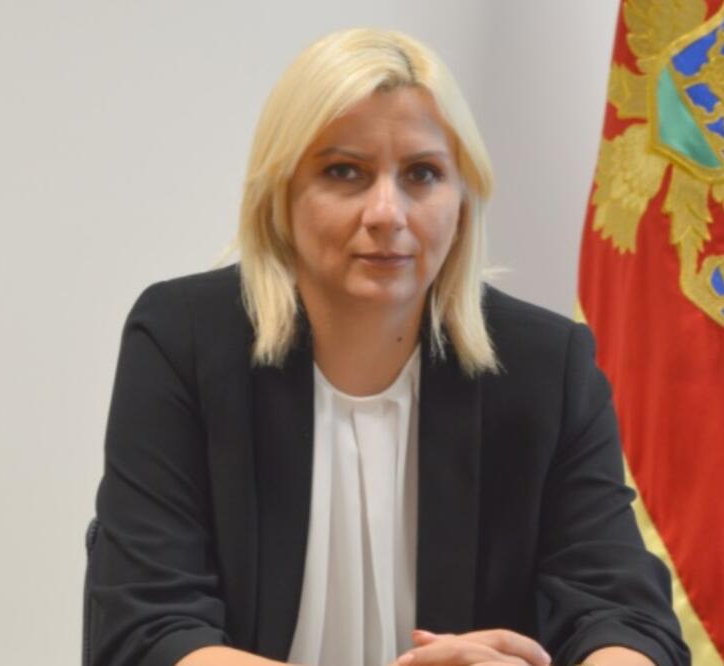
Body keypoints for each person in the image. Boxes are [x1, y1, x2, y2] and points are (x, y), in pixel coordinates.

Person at [88, 28, 689, 666]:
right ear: (279, 191)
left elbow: (626, 617)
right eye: (344, 172)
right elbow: (148, 632)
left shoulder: (545, 365)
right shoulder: (182, 340)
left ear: (463, 201)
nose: (386, 212)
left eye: (422, 174)